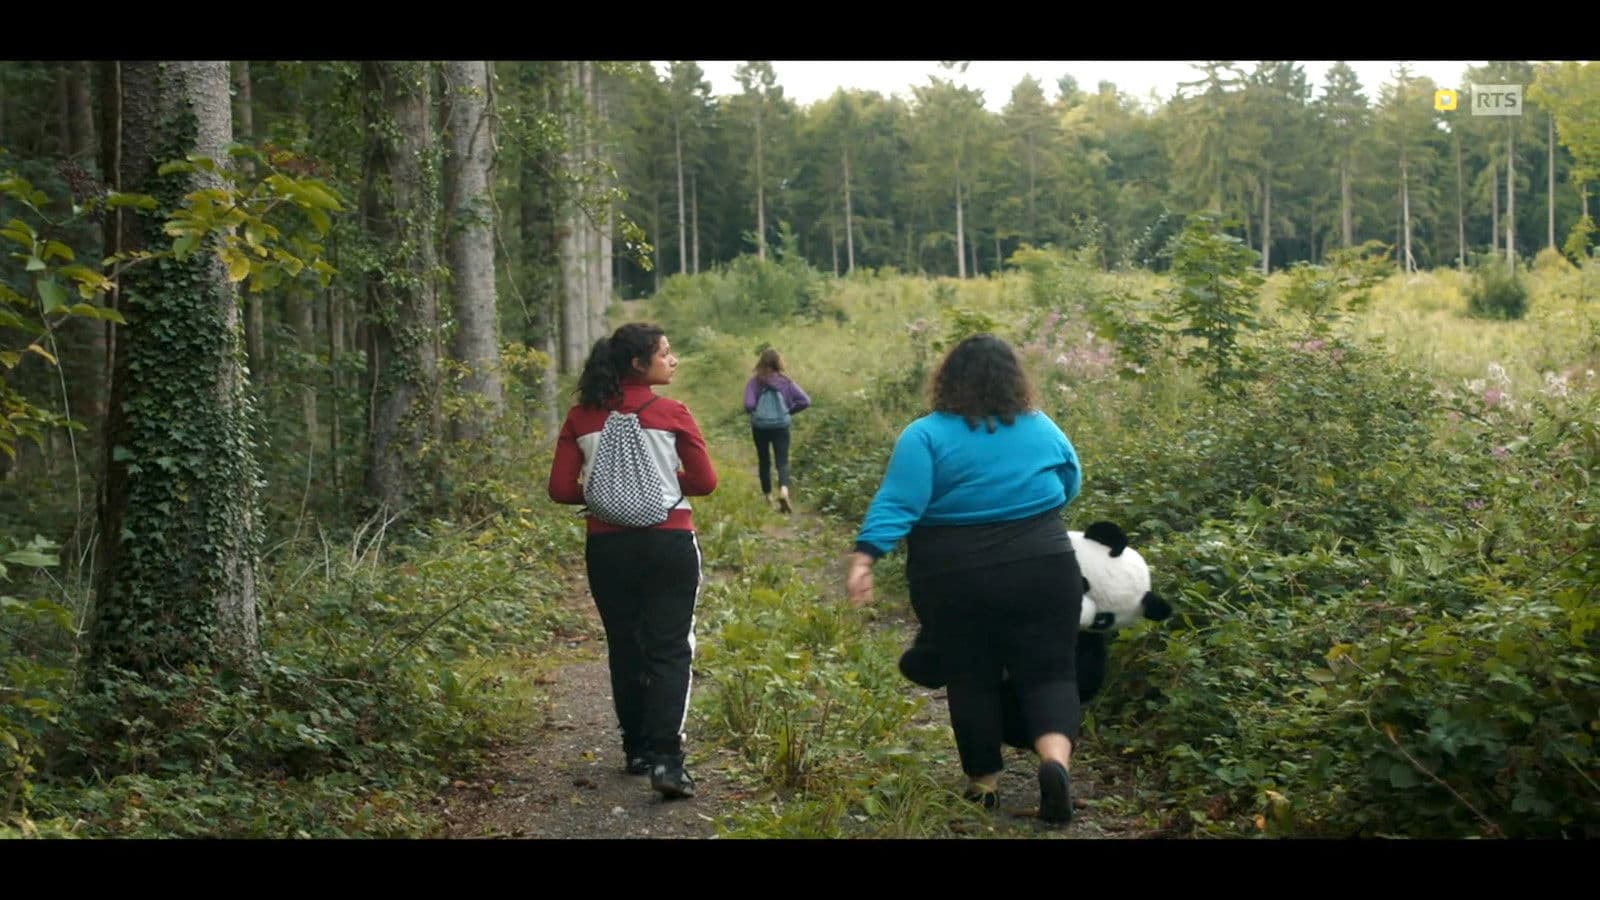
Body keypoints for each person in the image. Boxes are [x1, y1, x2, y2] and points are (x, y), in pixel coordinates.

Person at [845, 333, 1084, 825]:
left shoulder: (925, 435)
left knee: (970, 674)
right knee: (1051, 672)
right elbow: (1069, 481)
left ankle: (984, 785)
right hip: (1044, 563)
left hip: (953, 573)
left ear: (946, 380)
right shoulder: (1041, 427)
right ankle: (1055, 763)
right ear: (1014, 380)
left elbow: (899, 502)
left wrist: (865, 559)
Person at [547, 323, 718, 800]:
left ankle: (636, 749)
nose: (674, 359)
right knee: (670, 648)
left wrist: (609, 493)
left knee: (626, 644)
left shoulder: (581, 417)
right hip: (669, 542)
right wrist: (656, 486)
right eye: (666, 353)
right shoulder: (672, 413)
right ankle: (667, 759)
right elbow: (704, 482)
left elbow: (561, 490)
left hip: (608, 547)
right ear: (640, 364)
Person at [743, 348, 811, 513]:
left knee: (764, 460)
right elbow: (805, 401)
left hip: (760, 427)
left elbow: (749, 405)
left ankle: (768, 497)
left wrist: (758, 412)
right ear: (778, 363)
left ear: (761, 362)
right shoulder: (785, 382)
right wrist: (788, 411)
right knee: (782, 460)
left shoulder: (755, 382)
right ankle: (784, 491)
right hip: (781, 426)